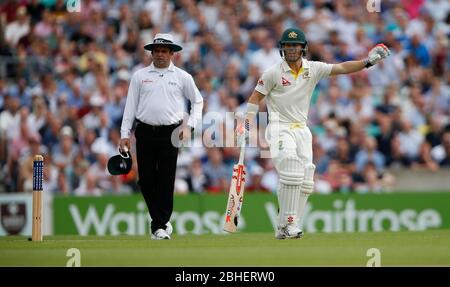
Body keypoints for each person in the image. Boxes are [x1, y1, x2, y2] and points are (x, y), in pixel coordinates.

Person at [236, 28, 390, 239]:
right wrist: (244, 124)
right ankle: (291, 224)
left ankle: (283, 227)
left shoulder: (313, 69)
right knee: (291, 168)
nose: (291, 49)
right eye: (288, 46)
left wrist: (368, 62)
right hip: (280, 128)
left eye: (295, 45)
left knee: (306, 179)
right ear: (283, 48)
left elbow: (342, 67)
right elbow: (254, 98)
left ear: (303, 48)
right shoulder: (272, 73)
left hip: (302, 130)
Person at [119, 33, 203, 240]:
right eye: (156, 51)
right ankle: (162, 222)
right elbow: (130, 107)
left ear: (172, 53)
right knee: (146, 180)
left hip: (170, 132)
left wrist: (189, 126)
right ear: (151, 53)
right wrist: (124, 134)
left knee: (166, 179)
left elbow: (198, 101)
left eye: (164, 51)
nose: (159, 55)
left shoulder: (182, 76)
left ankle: (159, 226)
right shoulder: (140, 76)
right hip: (145, 131)